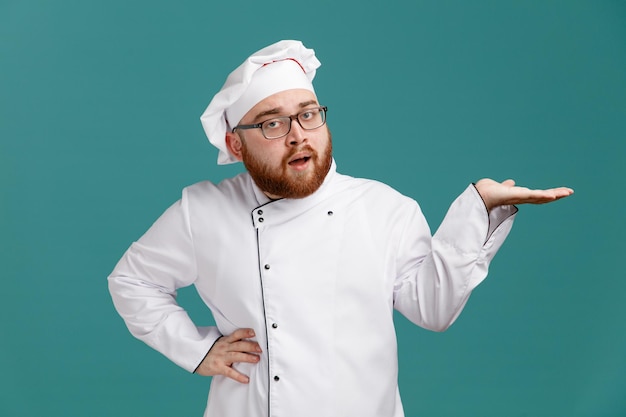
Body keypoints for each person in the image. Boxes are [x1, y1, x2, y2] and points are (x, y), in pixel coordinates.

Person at [108, 40, 573, 417]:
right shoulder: (203, 211)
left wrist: (478, 209)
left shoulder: (383, 208)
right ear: (235, 143)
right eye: (273, 123)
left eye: (308, 114)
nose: (297, 135)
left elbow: (433, 308)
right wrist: (197, 349)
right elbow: (131, 281)